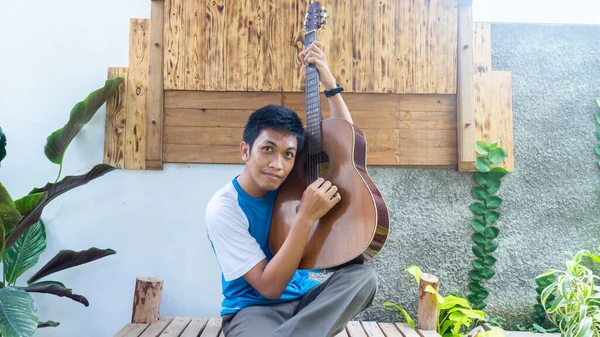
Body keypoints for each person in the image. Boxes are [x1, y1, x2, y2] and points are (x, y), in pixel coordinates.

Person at [205, 40, 377, 337]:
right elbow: (269, 288)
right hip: (253, 310)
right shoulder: (224, 208)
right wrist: (305, 217)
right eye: (268, 149)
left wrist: (329, 80)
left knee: (364, 278)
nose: (278, 164)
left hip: (308, 303)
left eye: (288, 154)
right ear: (246, 151)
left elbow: (346, 142)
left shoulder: (294, 182)